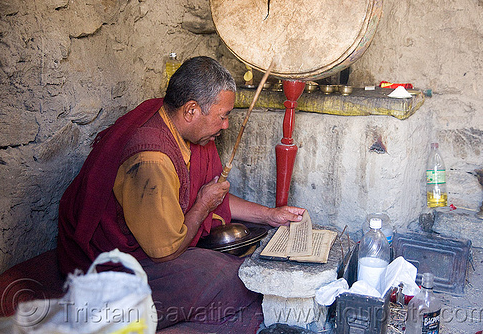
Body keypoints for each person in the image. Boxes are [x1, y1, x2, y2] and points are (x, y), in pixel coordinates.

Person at [57, 56, 305, 331]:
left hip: (158, 243)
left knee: (246, 250)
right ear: (191, 111)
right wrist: (202, 204)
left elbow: (214, 197)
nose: (225, 126)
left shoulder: (183, 130)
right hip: (116, 271)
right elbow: (167, 251)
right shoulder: (152, 160)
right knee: (239, 280)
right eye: (222, 116)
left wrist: (270, 215)